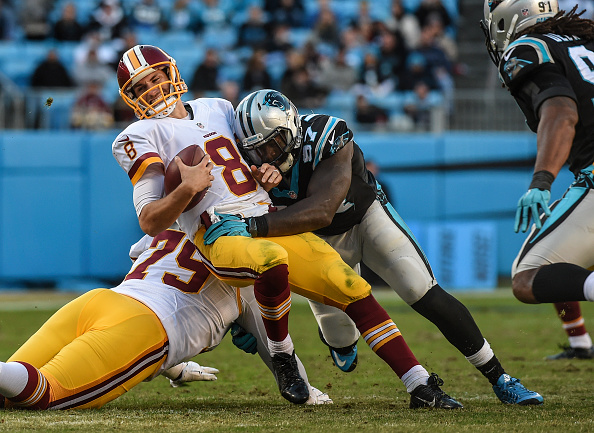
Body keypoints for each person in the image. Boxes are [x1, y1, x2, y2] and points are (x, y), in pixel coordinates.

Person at [112, 44, 462, 409]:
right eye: (140, 88)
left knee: (352, 285)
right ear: (131, 98)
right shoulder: (138, 136)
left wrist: (269, 171)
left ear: (172, 73)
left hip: (263, 216)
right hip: (220, 230)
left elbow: (253, 156)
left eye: (155, 78)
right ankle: (283, 356)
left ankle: (420, 384)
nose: (152, 89)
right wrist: (186, 188)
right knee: (271, 261)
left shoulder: (217, 107)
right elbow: (150, 220)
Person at [233, 88, 544, 406]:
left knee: (421, 289)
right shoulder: (245, 167)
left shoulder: (328, 135)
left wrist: (255, 224)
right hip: (318, 244)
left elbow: (323, 209)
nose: (267, 155)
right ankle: (340, 343)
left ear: (292, 130)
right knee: (340, 336)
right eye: (257, 150)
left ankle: (500, 378)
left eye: (273, 144)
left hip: (365, 219)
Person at [0, 228, 331, 409]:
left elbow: (145, 263)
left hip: (98, 301)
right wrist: (309, 392)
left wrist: (173, 364)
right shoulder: (249, 267)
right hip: (143, 325)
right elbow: (278, 354)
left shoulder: (177, 221)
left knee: (6, 391)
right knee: (44, 394)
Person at [481, 2, 594, 357]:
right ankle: (578, 340)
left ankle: (579, 341)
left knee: (528, 276)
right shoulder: (584, 41)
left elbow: (561, 113)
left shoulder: (529, 49)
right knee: (561, 261)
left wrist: (541, 180)